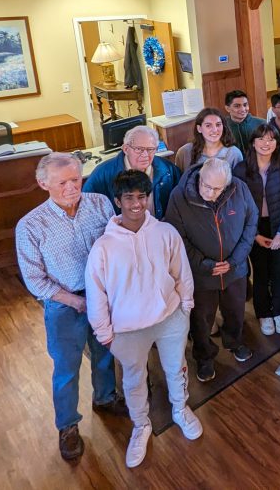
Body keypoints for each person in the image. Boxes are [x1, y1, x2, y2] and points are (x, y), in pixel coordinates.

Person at [85, 170, 201, 468]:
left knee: (176, 369)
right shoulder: (104, 247)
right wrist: (104, 333)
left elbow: (181, 272)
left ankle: (180, 409)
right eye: (129, 198)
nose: (136, 204)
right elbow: (96, 292)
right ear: (118, 201)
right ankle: (141, 425)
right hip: (127, 329)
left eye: (141, 197)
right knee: (135, 380)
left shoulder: (165, 232)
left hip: (169, 319)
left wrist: (185, 307)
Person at [16, 153, 127, 462]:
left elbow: (115, 245)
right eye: (62, 182)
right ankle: (67, 426)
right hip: (64, 305)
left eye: (76, 180)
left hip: (102, 295)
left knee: (104, 352)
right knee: (66, 368)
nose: (71, 187)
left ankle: (105, 398)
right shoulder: (30, 226)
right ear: (43, 184)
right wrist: (76, 301)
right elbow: (35, 280)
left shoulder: (100, 204)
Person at [164, 158, 258, 384]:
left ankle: (234, 342)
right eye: (206, 186)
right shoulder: (179, 197)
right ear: (200, 177)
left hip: (234, 270)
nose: (210, 192)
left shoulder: (239, 188)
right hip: (201, 274)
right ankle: (204, 357)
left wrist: (235, 260)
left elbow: (251, 222)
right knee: (201, 319)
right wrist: (204, 264)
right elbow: (177, 239)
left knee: (235, 311)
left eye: (217, 189)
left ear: (226, 185)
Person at [233, 125, 280, 336]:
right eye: (261, 139)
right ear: (253, 142)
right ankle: (263, 313)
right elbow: (238, 205)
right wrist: (253, 235)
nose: (266, 143)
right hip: (253, 228)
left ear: (277, 143)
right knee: (260, 272)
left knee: (278, 270)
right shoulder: (241, 169)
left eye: (271, 139)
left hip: (279, 225)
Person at [84, 125, 181, 219]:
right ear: (126, 149)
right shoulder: (102, 174)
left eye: (150, 149)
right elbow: (86, 207)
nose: (145, 155)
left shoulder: (167, 169)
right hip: (121, 233)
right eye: (139, 149)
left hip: (158, 230)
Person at [174, 107, 244, 172]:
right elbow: (179, 182)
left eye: (218, 124)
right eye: (208, 125)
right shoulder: (184, 152)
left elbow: (239, 184)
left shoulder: (234, 153)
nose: (215, 130)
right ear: (199, 128)